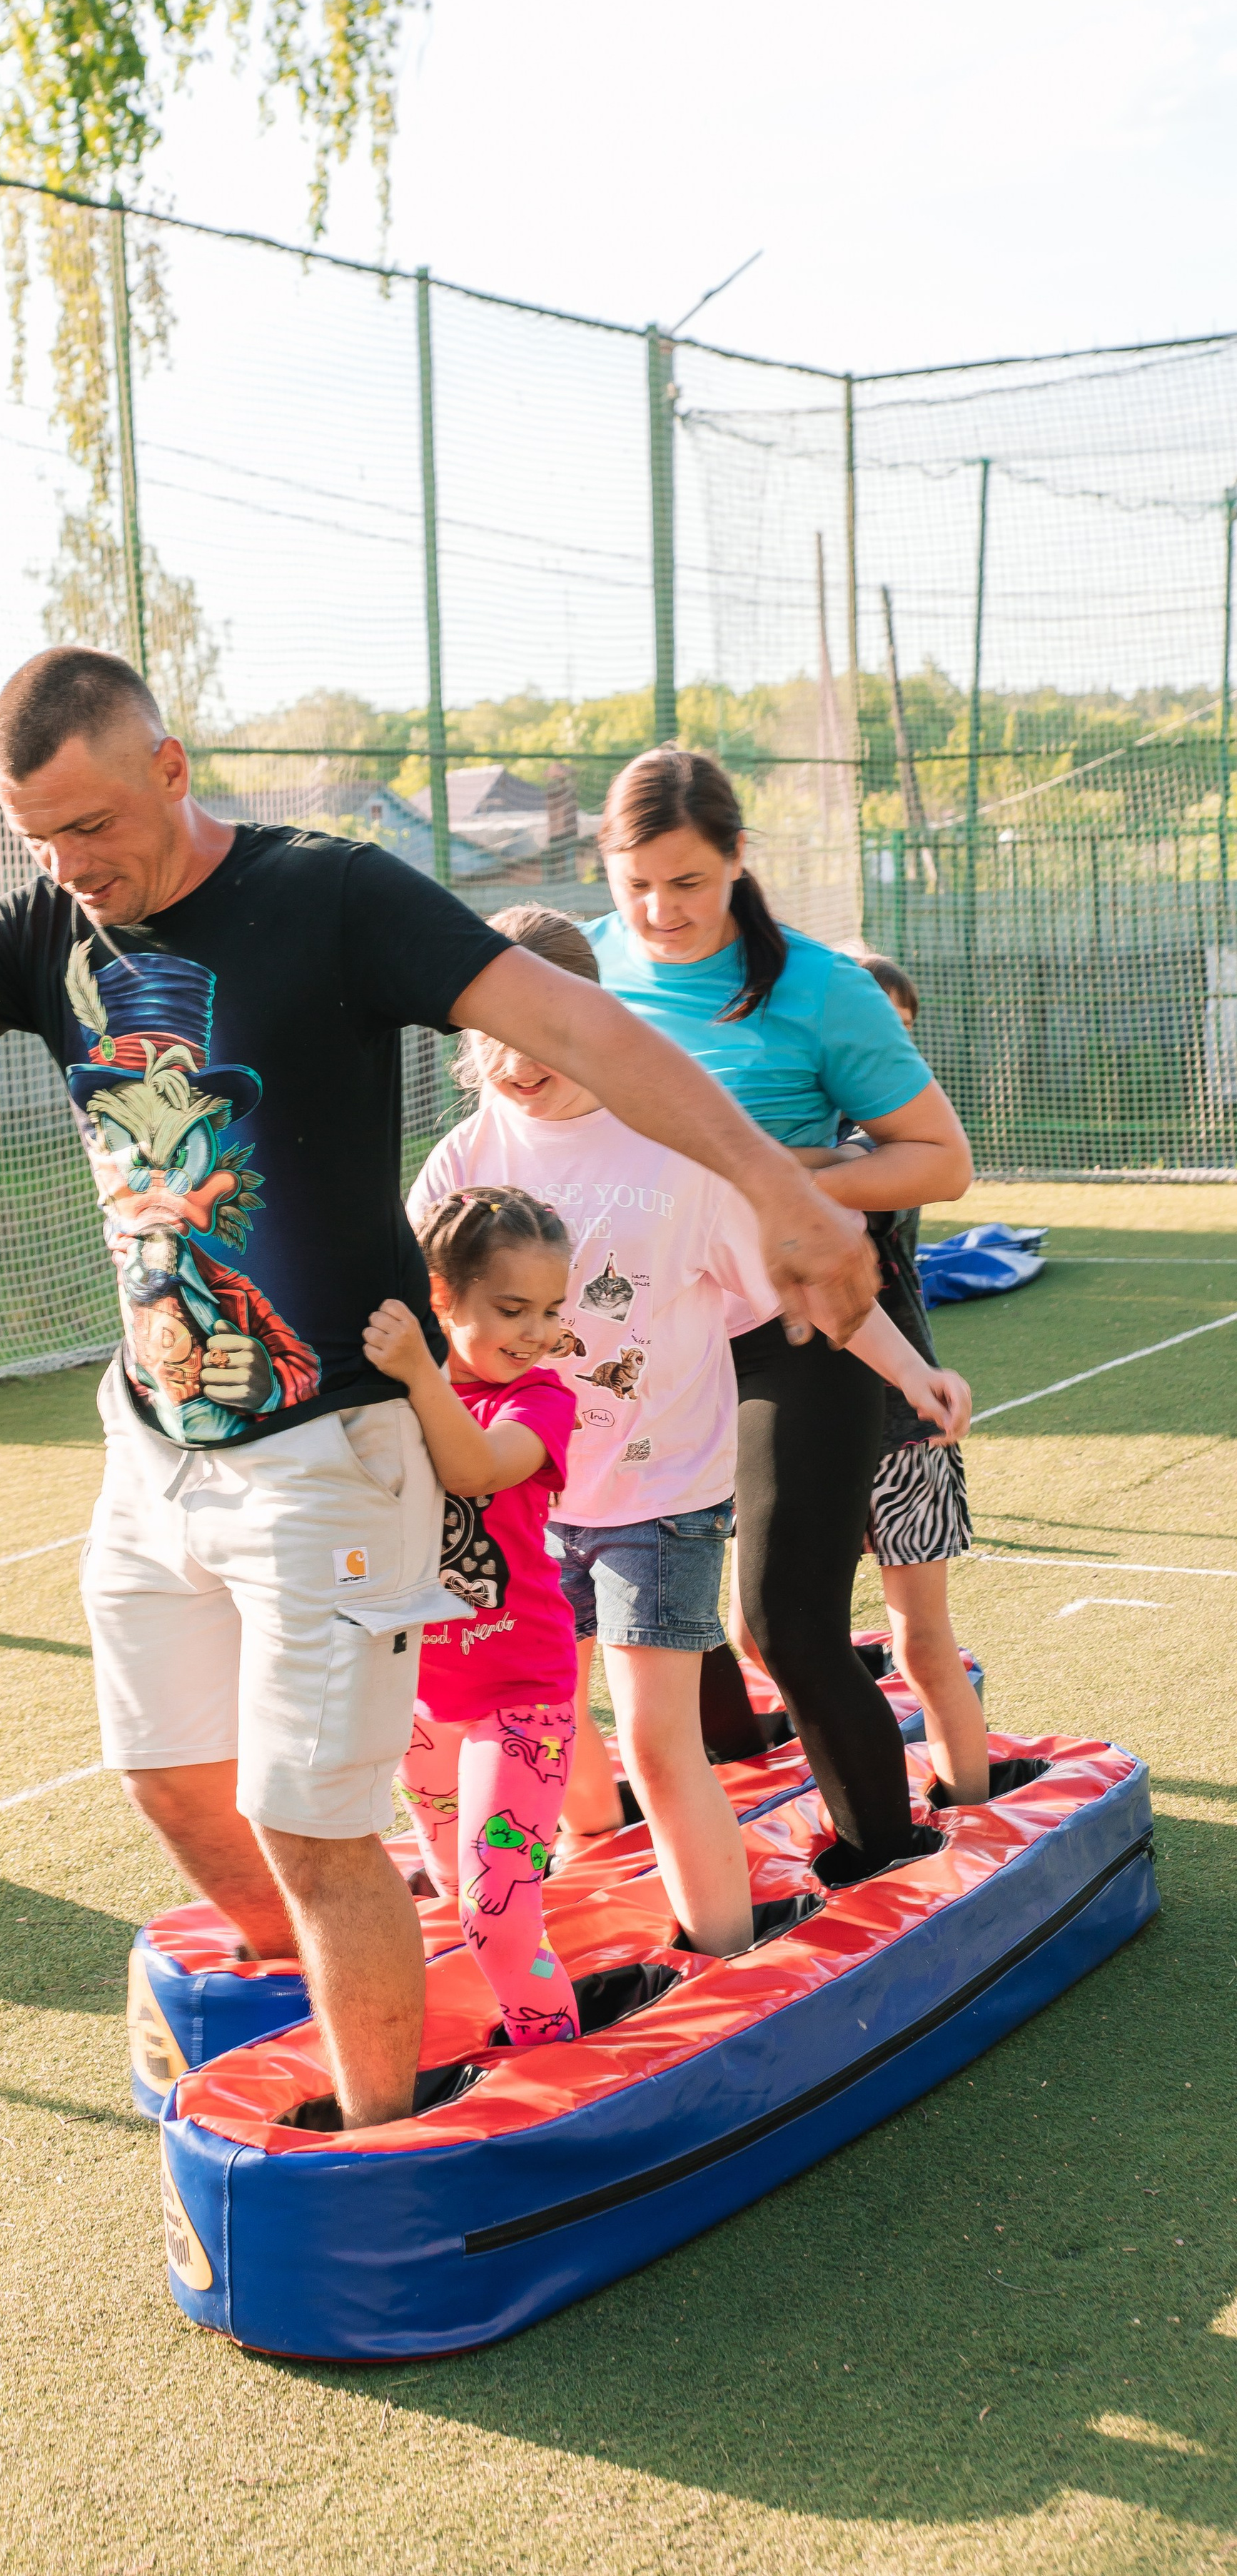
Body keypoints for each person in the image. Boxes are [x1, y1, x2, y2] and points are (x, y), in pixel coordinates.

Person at [0, 651, 877, 2128]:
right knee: (174, 1785)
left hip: (331, 1453)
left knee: (310, 1825)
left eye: (92, 827)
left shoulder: (332, 896)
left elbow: (585, 1031)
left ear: (171, 773)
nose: (73, 866)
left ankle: (384, 2128)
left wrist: (777, 1192)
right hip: (152, 1448)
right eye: (38, 840)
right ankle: (348, 1980)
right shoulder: (41, 932)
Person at [411, 905, 972, 1953]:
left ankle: (726, 1955)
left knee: (661, 1745)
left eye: (536, 1036)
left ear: (589, 1021)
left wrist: (913, 1370)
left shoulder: (675, 1154)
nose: (511, 1061)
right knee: (545, 1720)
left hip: (659, 1500)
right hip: (523, 1499)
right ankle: (584, 1900)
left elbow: (811, 1291)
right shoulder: (463, 1157)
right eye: (487, 1036)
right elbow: (412, 1309)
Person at [582, 748, 974, 1884]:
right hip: (650, 1337)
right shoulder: (580, 971)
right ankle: (735, 1772)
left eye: (689, 882)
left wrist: (784, 1179)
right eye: (636, 879)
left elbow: (939, 1163)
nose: (660, 911)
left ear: (738, 860)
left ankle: (884, 1860)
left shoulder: (819, 989)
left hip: (808, 1325)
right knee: (647, 1604)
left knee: (786, 1620)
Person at [363, 1187, 583, 2047]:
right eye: (512, 1308)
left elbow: (476, 1470)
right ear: (440, 1295)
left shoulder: (540, 1400)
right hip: (417, 1702)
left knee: (497, 1917)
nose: (536, 1331)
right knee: (459, 1897)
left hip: (520, 1700)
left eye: (551, 1310)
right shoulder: (384, 1399)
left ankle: (560, 2070)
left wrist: (422, 1371)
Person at [848, 952, 988, 1803]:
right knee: (767, 1635)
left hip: (903, 1425)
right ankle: (861, 1767)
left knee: (922, 1642)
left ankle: (968, 1802)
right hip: (797, 1421)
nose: (888, 1053)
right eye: (872, 1032)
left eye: (901, 1034)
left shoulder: (897, 1147)